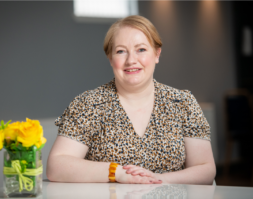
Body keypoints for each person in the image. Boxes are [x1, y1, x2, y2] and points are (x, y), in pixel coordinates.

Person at [47, 15, 216, 184]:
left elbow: (205, 168)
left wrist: (158, 179)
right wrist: (118, 173)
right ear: (111, 59)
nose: (131, 60)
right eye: (121, 51)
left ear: (157, 54)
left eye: (141, 49)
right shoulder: (89, 104)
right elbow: (56, 166)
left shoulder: (183, 103)